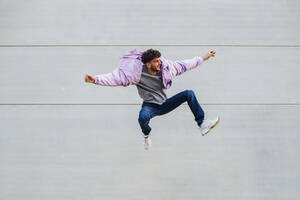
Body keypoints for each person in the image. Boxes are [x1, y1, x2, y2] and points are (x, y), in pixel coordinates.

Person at [85, 49, 220, 150]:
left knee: (189, 94)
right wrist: (96, 80)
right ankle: (146, 135)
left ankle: (201, 124)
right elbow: (115, 78)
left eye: (159, 60)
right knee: (142, 118)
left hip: (165, 103)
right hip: (150, 106)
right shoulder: (134, 73)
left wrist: (204, 58)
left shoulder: (167, 68)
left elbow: (185, 65)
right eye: (156, 61)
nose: (159, 63)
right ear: (148, 63)